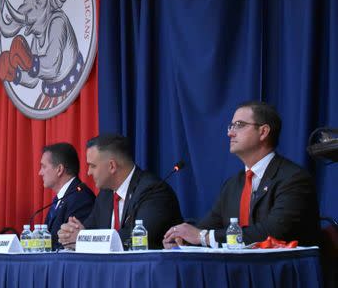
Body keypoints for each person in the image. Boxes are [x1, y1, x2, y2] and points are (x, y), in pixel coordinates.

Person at [163, 101, 320, 248]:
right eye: (231, 126)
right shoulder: (233, 185)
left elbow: (274, 231)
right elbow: (206, 228)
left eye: (239, 125)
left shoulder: (294, 179)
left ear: (263, 132)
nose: (230, 133)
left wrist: (203, 237)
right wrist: (182, 239)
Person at [58, 134, 183, 250]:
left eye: (93, 166)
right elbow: (89, 230)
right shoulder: (105, 195)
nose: (88, 172)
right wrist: (71, 233)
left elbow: (137, 238)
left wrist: (82, 239)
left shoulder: (154, 191)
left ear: (112, 166)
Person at [38, 142, 95, 249]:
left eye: (43, 167)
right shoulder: (62, 197)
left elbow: (69, 242)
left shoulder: (80, 198)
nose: (40, 173)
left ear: (59, 169)